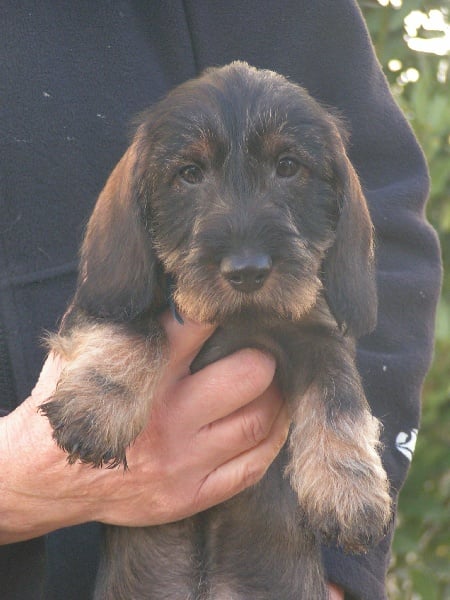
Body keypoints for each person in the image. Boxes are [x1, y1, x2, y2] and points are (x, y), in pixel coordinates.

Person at [0, 2, 441, 599]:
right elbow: (115, 296)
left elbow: (385, 224)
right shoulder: (132, 269)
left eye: (289, 166)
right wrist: (16, 483)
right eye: (189, 174)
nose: (245, 256)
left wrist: (345, 573)